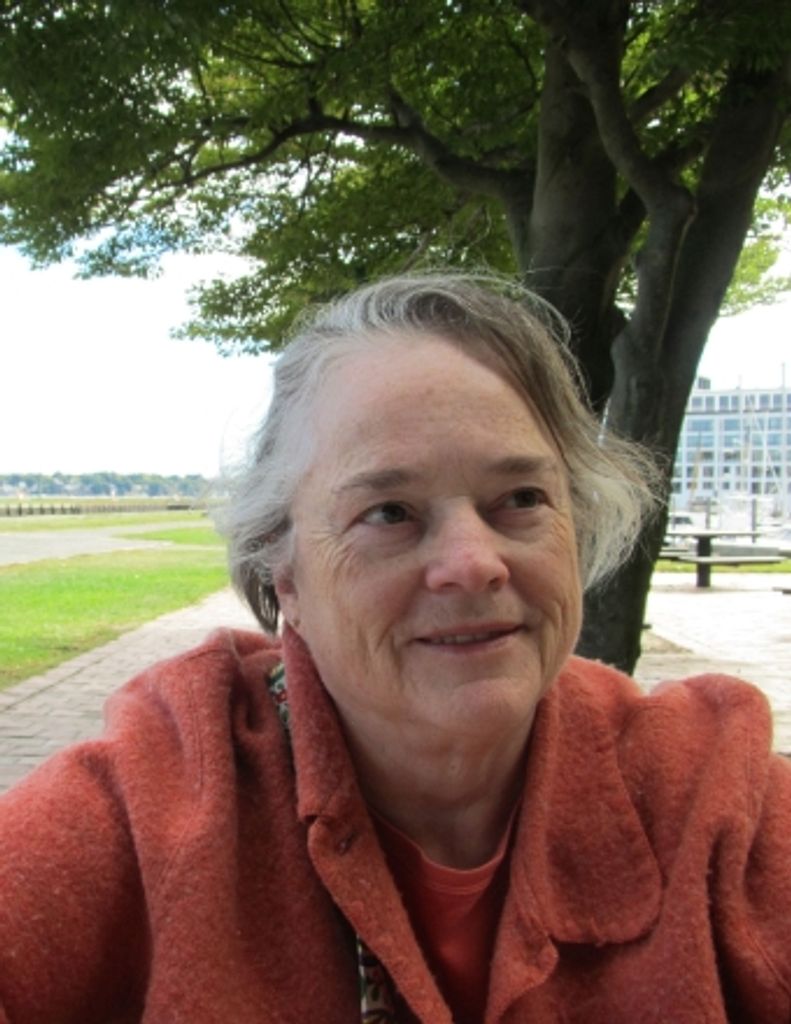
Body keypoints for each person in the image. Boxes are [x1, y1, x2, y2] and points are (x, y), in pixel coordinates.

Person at [1, 273, 789, 1024]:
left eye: (520, 499)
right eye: (388, 512)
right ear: (286, 578)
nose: (473, 563)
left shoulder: (709, 799)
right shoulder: (155, 801)